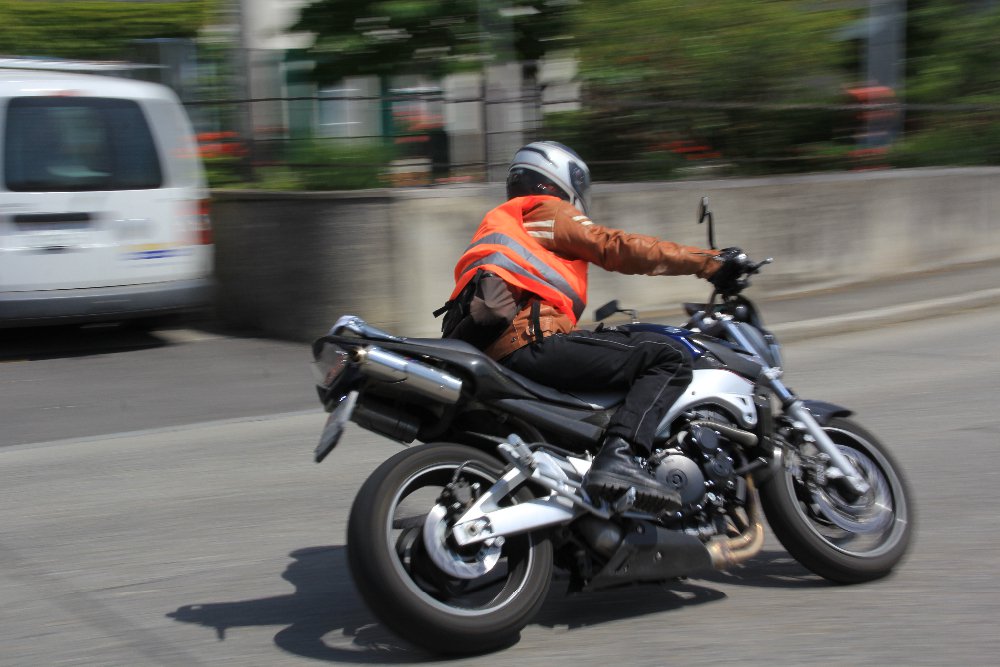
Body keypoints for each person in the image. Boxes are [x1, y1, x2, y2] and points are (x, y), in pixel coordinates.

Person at [440, 141, 743, 512]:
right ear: (561, 179)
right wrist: (709, 262)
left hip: (496, 350)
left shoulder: (504, 223)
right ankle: (620, 456)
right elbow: (615, 246)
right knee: (669, 357)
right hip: (530, 342)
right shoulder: (547, 210)